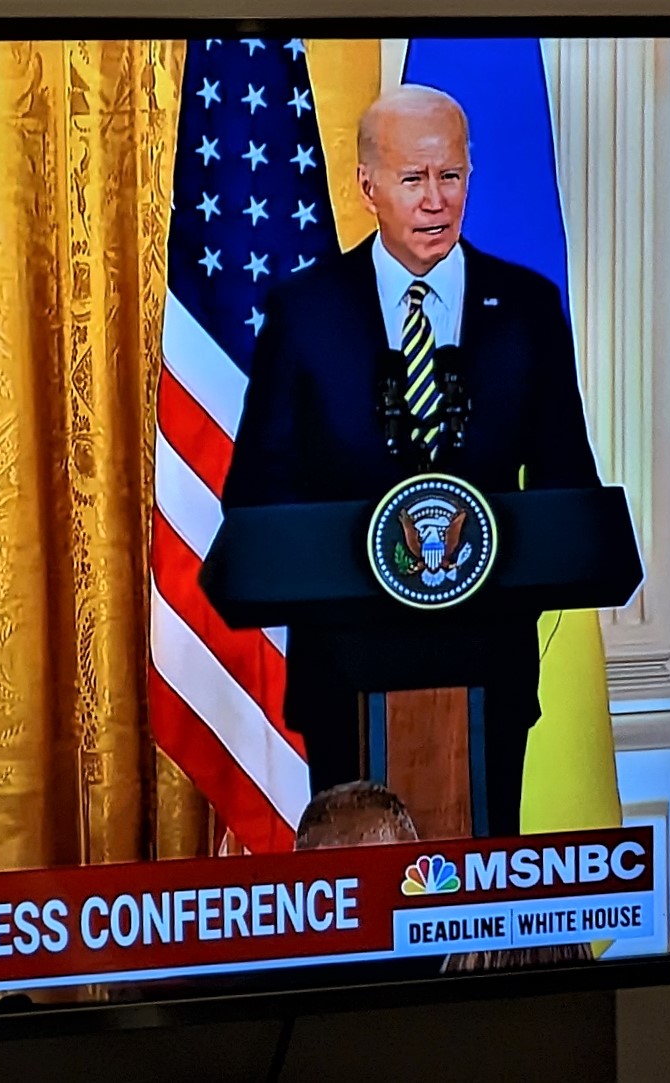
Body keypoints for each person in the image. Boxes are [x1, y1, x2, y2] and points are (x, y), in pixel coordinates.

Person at [222, 86, 603, 837]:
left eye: (450, 176)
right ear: (367, 186)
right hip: (346, 667)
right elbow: (258, 492)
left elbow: (568, 485)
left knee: (476, 888)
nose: (435, 200)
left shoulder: (525, 307)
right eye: (412, 179)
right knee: (361, 887)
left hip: (487, 665)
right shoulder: (304, 313)